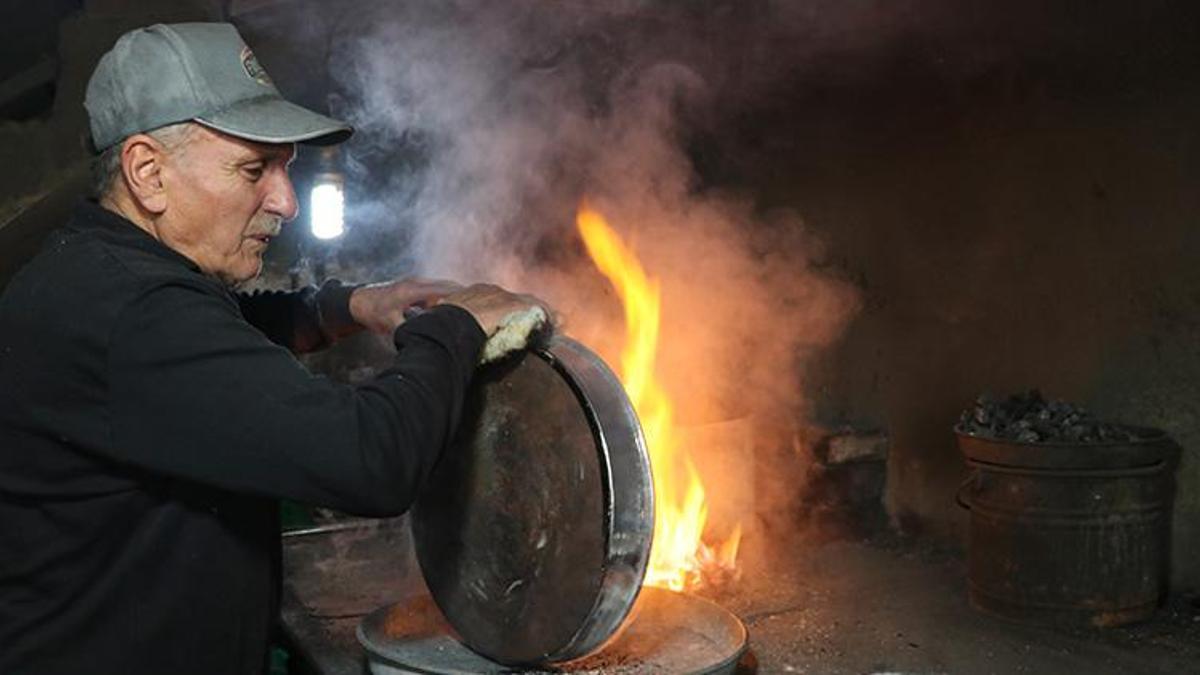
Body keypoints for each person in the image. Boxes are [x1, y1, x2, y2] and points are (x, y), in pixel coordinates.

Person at [0, 22, 546, 674]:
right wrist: (456, 325)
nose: (285, 201)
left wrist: (346, 307)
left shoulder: (99, 268)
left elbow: (212, 337)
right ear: (148, 172)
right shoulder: (134, 313)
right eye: (253, 169)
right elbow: (371, 460)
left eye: (284, 168)